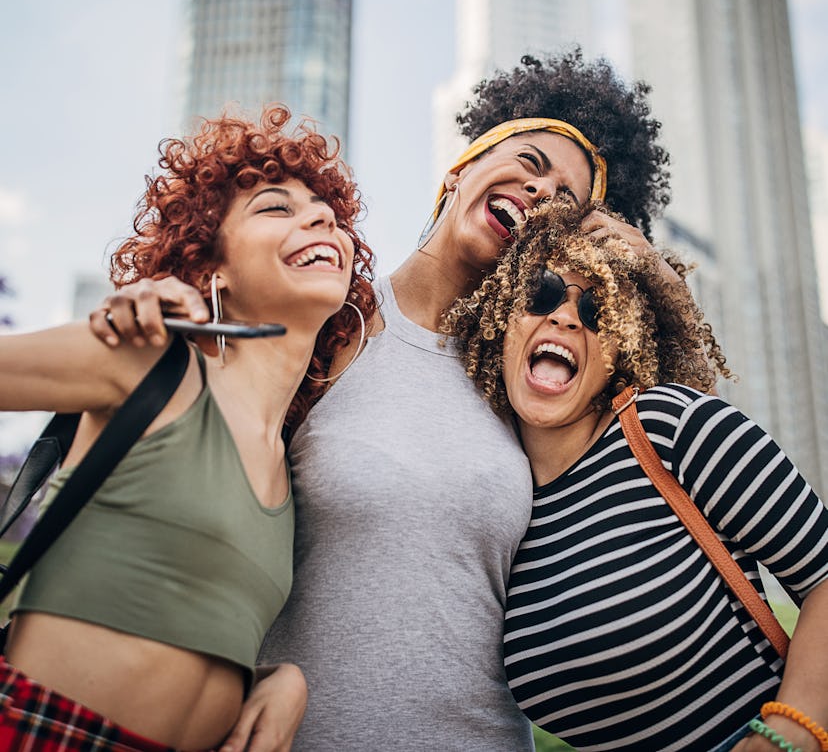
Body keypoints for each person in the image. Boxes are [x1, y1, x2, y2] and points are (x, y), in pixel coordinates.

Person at [88, 48, 676, 750]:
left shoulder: (532, 383)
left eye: (568, 203)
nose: (541, 191)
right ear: (463, 167)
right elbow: (191, 498)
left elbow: (662, 465)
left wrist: (650, 276)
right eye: (531, 159)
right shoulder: (328, 319)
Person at [0, 103, 375, 752]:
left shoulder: (290, 460)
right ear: (210, 270)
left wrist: (283, 679)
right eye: (275, 208)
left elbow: (185, 631)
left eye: (329, 214)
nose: (320, 217)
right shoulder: (150, 362)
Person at [442, 199, 828, 752]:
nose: (566, 316)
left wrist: (787, 732)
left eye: (598, 309)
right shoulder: (500, 505)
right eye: (542, 294)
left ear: (622, 347)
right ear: (500, 319)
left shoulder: (671, 426)